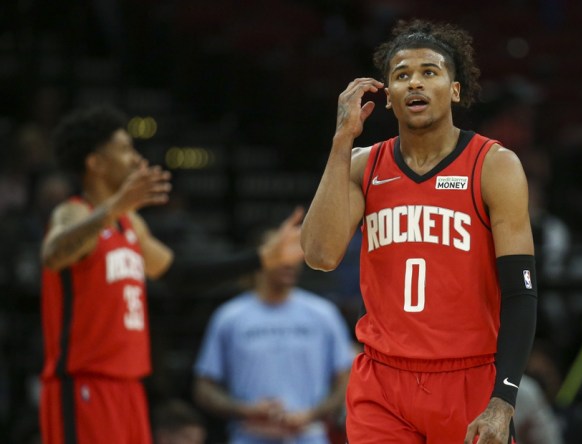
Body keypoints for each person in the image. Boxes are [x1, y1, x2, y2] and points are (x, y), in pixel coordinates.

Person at [301, 19, 538, 444]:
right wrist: (341, 141)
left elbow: (521, 293)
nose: (415, 83)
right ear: (388, 98)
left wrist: (503, 400)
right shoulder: (362, 165)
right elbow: (320, 255)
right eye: (402, 75)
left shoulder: (494, 166)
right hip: (382, 382)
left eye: (430, 72)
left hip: (468, 378)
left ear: (455, 89)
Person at [39, 105, 303, 444]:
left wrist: (261, 259)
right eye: (124, 148)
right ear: (95, 163)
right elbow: (53, 253)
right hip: (83, 384)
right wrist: (114, 207)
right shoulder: (73, 211)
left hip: (129, 386)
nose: (136, 159)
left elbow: (179, 274)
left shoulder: (131, 224)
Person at [193, 228, 355, 444]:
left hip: (309, 436)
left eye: (296, 254)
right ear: (260, 257)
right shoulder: (229, 317)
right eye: (281, 252)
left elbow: (346, 382)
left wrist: (310, 414)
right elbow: (204, 388)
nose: (290, 262)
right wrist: (244, 410)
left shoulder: (324, 314)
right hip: (249, 436)